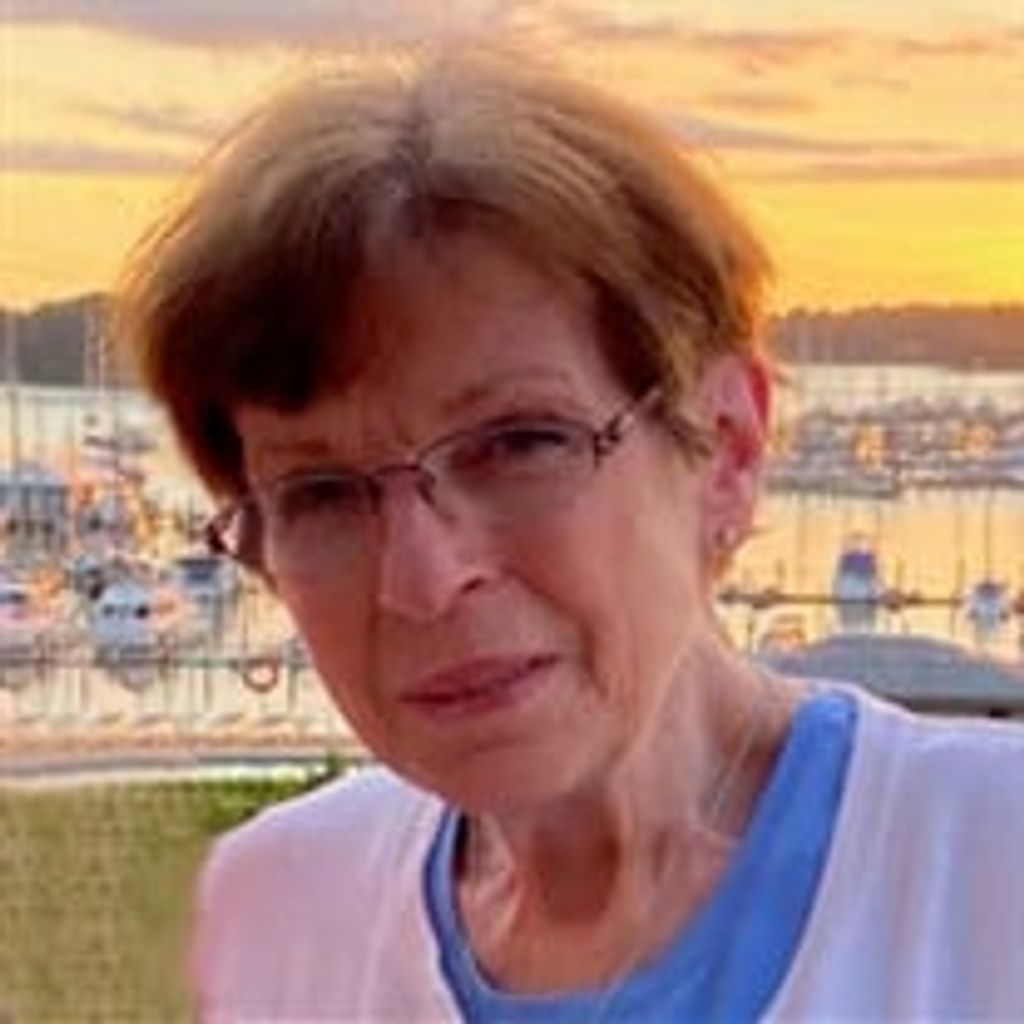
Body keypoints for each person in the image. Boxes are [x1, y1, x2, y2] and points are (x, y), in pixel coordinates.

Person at [115, 51, 1024, 1021]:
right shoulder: (275, 909)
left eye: (518, 443)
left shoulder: (983, 870)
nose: (423, 580)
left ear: (726, 448)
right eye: (322, 493)